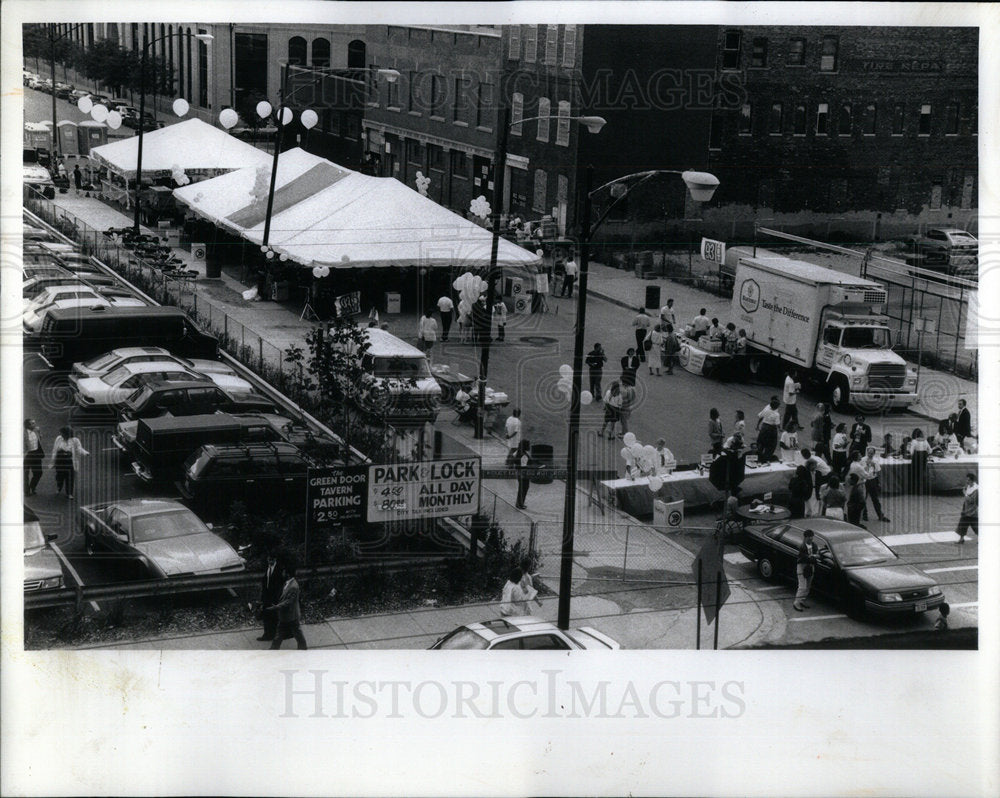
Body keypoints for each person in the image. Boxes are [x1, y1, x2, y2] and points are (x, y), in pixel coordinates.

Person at [267, 564, 308, 649]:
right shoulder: (287, 583)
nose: (282, 573)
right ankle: (274, 649)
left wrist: (276, 607)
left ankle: (303, 648)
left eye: (284, 572)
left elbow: (288, 602)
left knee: (296, 634)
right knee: (283, 634)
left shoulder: (293, 586)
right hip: (286, 615)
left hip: (291, 616)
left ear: (288, 574)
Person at [51, 426, 88, 499]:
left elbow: (79, 448)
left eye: (63, 434)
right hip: (60, 460)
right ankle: (59, 486)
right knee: (59, 476)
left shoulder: (75, 440)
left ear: (68, 434)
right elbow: (55, 449)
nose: (61, 435)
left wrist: (85, 453)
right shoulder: (59, 439)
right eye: (61, 433)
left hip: (69, 461)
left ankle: (69, 493)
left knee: (70, 477)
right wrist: (53, 461)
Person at [257, 552, 286, 641]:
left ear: (275, 559)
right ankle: (267, 635)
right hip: (267, 597)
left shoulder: (280, 569)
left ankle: (274, 634)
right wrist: (262, 598)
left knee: (274, 617)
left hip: (275, 597)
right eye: (269, 560)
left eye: (272, 560)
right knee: (266, 615)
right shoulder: (268, 569)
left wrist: (278, 598)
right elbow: (265, 584)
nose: (270, 562)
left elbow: (281, 585)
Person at [861, 446, 890, 523]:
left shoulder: (876, 461)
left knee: (875, 499)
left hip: (872, 480)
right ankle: (864, 514)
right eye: (869, 453)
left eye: (871, 453)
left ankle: (880, 515)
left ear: (874, 454)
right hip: (865, 480)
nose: (870, 454)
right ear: (867, 452)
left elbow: (877, 472)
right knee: (864, 498)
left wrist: (878, 482)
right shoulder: (863, 460)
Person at [793, 529, 820, 611]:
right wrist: (813, 556)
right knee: (802, 587)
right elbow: (805, 557)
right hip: (802, 567)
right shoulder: (802, 547)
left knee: (808, 586)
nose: (811, 539)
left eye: (812, 537)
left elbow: (817, 555)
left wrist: (813, 557)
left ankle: (802, 600)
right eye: (809, 537)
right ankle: (796, 603)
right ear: (805, 537)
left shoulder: (814, 545)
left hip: (810, 567)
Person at [755, 396, 782, 463]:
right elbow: (777, 424)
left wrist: (758, 425)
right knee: (771, 445)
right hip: (771, 429)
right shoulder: (777, 414)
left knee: (761, 443)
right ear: (777, 407)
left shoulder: (766, 410)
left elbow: (760, 416)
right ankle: (765, 459)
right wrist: (780, 429)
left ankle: (757, 457)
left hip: (764, 427)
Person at [955, 472, 978, 544]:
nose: (967, 481)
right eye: (967, 480)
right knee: (962, 524)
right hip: (966, 509)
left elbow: (972, 501)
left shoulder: (976, 490)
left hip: (973, 511)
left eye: (968, 480)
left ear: (972, 481)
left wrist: (965, 493)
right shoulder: (968, 486)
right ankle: (961, 539)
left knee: (975, 526)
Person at [24, 419, 45, 496]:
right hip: (27, 454)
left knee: (38, 473)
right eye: (32, 423)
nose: (35, 425)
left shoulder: (36, 431)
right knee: (25, 474)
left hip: (36, 453)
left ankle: (32, 487)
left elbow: (39, 440)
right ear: (28, 425)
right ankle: (26, 491)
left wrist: (39, 432)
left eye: (34, 423)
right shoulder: (23, 433)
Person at [907, 428, 932, 493]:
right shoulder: (925, 441)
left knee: (915, 474)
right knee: (922, 474)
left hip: (916, 459)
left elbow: (911, 452)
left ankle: (914, 489)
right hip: (923, 460)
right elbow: (930, 451)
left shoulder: (914, 441)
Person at [514, 441, 532, 509]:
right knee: (524, 488)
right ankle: (520, 504)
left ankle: (519, 503)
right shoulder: (524, 455)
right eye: (528, 445)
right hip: (524, 474)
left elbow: (514, 459)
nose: (529, 447)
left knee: (521, 488)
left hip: (519, 473)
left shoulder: (517, 452)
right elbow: (524, 466)